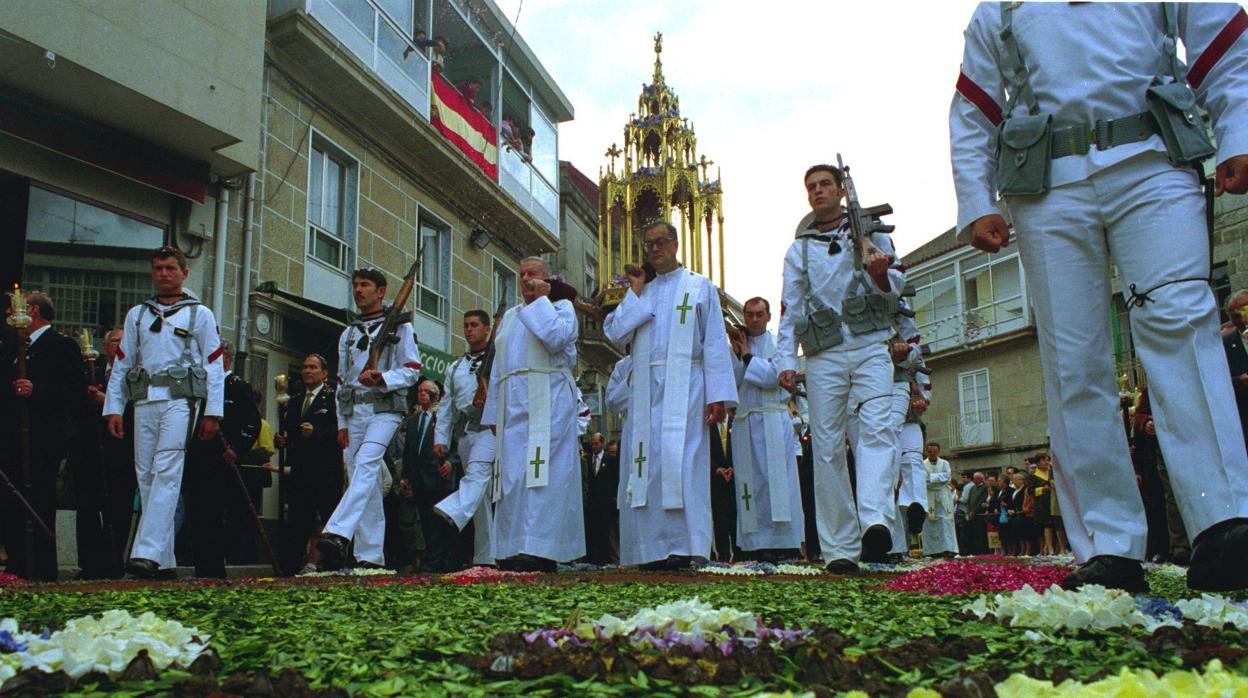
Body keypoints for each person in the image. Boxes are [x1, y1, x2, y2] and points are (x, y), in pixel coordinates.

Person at [952, 2, 1248, 591]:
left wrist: (1238, 129)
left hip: (1153, 162)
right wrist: (976, 200)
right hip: (1047, 187)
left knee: (1181, 323)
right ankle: (1109, 545)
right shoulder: (1000, 9)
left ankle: (1224, 521)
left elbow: (1225, 44)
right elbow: (973, 107)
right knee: (1074, 359)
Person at [776, 165, 906, 570]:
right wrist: (785, 360)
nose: (817, 191)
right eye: (811, 187)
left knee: (878, 427)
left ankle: (875, 522)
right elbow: (790, 307)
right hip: (824, 351)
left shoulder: (873, 233)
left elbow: (897, 287)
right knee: (828, 444)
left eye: (824, 184)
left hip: (869, 341)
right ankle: (839, 549)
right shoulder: (799, 250)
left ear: (840, 191)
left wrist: (880, 275)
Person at [604, 221, 738, 570]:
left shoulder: (698, 286)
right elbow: (616, 334)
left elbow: (713, 342)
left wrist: (718, 394)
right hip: (646, 388)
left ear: (676, 243)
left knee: (684, 462)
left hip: (688, 384)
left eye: (661, 242)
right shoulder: (641, 292)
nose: (655, 249)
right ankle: (648, 549)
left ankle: (684, 546)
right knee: (645, 464)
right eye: (648, 244)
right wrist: (634, 291)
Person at [104, 246, 225, 580]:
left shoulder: (199, 314)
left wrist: (212, 411)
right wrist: (114, 407)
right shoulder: (137, 315)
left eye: (171, 268)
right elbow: (123, 364)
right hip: (144, 400)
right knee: (146, 475)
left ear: (184, 273)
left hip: (181, 400)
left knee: (168, 470)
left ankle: (145, 552)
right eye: (158, 268)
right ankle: (165, 559)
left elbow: (213, 365)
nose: (164, 274)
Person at [315, 268, 422, 570]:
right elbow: (341, 381)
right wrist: (342, 423)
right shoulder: (348, 333)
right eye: (356, 285)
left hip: (385, 409)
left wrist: (383, 377)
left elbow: (413, 369)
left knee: (366, 464)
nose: (359, 290)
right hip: (355, 412)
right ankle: (370, 557)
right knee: (367, 481)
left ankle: (337, 531)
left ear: (381, 291)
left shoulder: (399, 327)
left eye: (365, 285)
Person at [482, 257, 583, 572]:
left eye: (533, 274)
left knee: (543, 474)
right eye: (522, 274)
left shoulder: (561, 307)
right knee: (512, 476)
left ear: (547, 279)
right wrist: (493, 413)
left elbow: (554, 337)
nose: (526, 279)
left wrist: (542, 298)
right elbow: (499, 368)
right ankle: (512, 545)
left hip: (547, 399)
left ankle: (539, 548)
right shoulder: (511, 316)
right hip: (513, 401)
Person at [1, 291, 86, 581]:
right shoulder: (13, 346)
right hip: (11, 439)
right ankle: (16, 566)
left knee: (38, 501)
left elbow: (75, 390)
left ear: (33, 310)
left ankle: (42, 569)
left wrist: (38, 390)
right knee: (11, 504)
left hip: (42, 440)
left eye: (15, 307)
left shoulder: (60, 345)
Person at [728, 298, 805, 559]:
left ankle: (786, 543)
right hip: (746, 422)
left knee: (779, 482)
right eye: (749, 315)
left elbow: (774, 379)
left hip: (773, 419)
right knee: (751, 485)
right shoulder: (736, 347)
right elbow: (732, 381)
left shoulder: (778, 345)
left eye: (759, 314)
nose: (754, 319)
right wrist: (739, 354)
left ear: (769, 316)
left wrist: (749, 356)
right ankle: (755, 544)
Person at [183, 341, 260, 579]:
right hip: (196, 457)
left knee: (214, 514)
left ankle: (214, 569)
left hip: (221, 459)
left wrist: (237, 449)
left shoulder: (236, 386)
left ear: (226, 359)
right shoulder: (198, 385)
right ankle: (199, 567)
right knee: (195, 513)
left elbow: (252, 423)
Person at [72, 326, 138, 579]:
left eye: (124, 342)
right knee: (87, 508)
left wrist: (106, 401)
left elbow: (139, 412)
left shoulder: (136, 376)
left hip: (121, 452)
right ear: (105, 346)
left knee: (118, 509)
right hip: (88, 449)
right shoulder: (92, 372)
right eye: (114, 341)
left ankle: (112, 563)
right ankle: (88, 565)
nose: (118, 346)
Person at [433, 310, 497, 568]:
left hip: (490, 427)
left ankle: (452, 509)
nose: (469, 330)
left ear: (486, 329)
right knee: (480, 497)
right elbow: (446, 405)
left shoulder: (498, 360)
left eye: (475, 325)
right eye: (466, 325)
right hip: (466, 431)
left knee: (477, 473)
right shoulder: (456, 366)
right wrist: (441, 438)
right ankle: (486, 556)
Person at [276, 353, 341, 575]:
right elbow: (290, 430)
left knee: (328, 518)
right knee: (297, 520)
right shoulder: (294, 400)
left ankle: (332, 567)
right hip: (301, 471)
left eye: (313, 367)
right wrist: (283, 438)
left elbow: (340, 432)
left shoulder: (333, 398)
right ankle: (289, 568)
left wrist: (317, 433)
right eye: (304, 367)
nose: (307, 371)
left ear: (324, 373)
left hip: (325, 471)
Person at [583, 432, 619, 565]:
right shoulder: (587, 459)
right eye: (592, 444)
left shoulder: (610, 459)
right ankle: (593, 557)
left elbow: (615, 479)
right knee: (592, 530)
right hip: (592, 501)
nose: (594, 446)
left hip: (605, 500)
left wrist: (612, 497)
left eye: (596, 443)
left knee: (605, 530)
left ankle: (605, 557)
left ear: (602, 443)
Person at [921, 442, 958, 557]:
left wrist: (932, 478)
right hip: (929, 496)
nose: (932, 454)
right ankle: (933, 550)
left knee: (946, 522)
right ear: (926, 452)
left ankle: (949, 549)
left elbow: (947, 477)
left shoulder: (944, 463)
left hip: (943, 497)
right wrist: (938, 478)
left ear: (939, 452)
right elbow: (924, 480)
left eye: (935, 451)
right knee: (930, 523)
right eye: (930, 451)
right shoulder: (922, 464)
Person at [709, 415, 737, 562]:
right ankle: (723, 554)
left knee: (736, 514)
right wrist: (716, 469)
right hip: (716, 478)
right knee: (720, 516)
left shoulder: (737, 421)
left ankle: (740, 552)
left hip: (736, 479)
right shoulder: (708, 425)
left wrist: (735, 466)